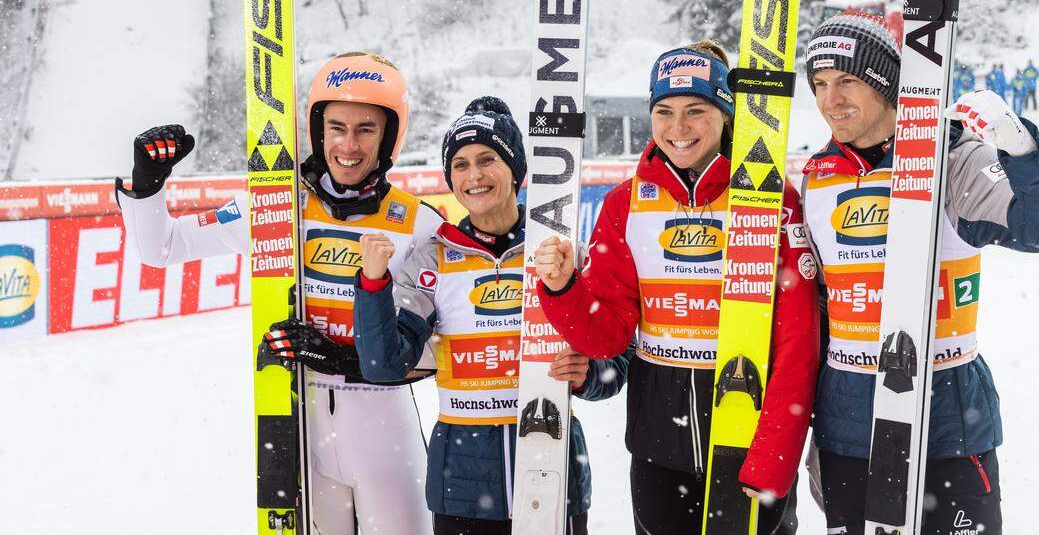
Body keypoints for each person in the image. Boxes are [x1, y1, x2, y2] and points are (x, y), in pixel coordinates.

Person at [116, 52, 442, 535]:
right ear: (317, 129)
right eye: (335, 127)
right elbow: (162, 248)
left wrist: (343, 359)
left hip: (383, 431)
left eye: (365, 129)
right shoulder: (274, 206)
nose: (347, 145)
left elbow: (439, 349)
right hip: (299, 425)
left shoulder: (420, 225)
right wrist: (148, 186)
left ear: (390, 137)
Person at [798, 12, 1039, 534]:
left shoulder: (950, 160)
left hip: (946, 417)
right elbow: (816, 305)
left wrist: (1017, 145)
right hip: (849, 423)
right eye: (819, 84)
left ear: (885, 84)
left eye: (847, 80)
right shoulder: (817, 177)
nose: (829, 100)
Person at [531, 40, 820, 535]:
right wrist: (561, 289)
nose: (678, 128)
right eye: (663, 111)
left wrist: (774, 454)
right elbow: (608, 336)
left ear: (726, 115)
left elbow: (797, 342)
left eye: (696, 110)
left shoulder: (771, 198)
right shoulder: (625, 204)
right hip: (658, 443)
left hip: (746, 431)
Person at [353, 96, 629, 535]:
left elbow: (617, 358)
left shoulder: (561, 250)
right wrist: (371, 285)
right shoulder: (434, 258)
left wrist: (590, 372)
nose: (474, 175)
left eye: (487, 159)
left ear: (516, 171)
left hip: (553, 471)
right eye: (459, 165)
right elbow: (383, 363)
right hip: (462, 484)